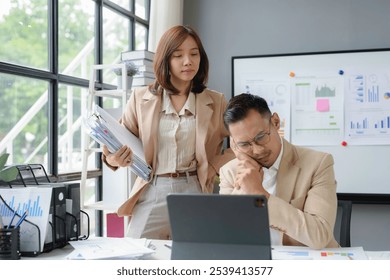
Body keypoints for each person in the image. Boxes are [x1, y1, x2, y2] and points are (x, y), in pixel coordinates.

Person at [102, 25, 234, 239]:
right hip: (153, 188)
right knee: (135, 257)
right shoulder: (140, 98)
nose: (188, 61)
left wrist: (214, 168)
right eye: (178, 55)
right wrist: (114, 159)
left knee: (195, 261)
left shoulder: (216, 101)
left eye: (194, 54)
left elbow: (241, 142)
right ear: (165, 60)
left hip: (195, 189)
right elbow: (115, 140)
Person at [219, 93, 339, 249]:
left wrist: (261, 195)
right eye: (244, 144)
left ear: (275, 122)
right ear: (234, 144)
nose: (257, 150)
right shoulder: (229, 172)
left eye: (261, 137)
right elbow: (227, 235)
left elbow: (319, 235)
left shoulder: (318, 163)